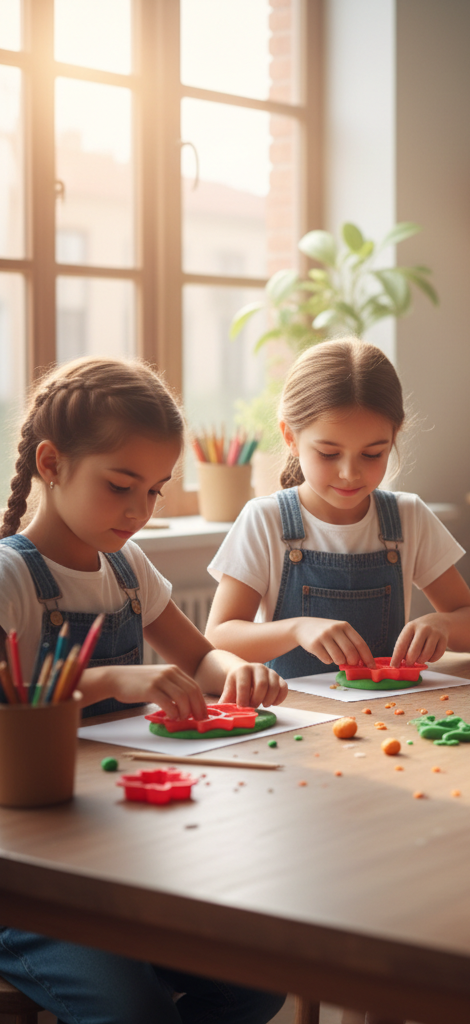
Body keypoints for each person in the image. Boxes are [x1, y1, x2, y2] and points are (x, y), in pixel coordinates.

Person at [0, 356, 286, 1024]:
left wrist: (233, 674)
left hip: (121, 852)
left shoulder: (128, 566)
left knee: (257, 981)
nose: (139, 510)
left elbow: (198, 655)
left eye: (156, 491)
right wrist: (106, 677)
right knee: (135, 1011)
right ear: (51, 462)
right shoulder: (11, 576)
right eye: (120, 485)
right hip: (29, 878)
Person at [206, 338, 470, 677]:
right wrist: (297, 629)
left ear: (393, 438)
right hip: (297, 715)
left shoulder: (408, 516)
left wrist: (443, 623)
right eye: (328, 453)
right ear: (290, 437)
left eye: (372, 454)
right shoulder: (266, 520)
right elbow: (219, 637)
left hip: (387, 715)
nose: (350, 473)